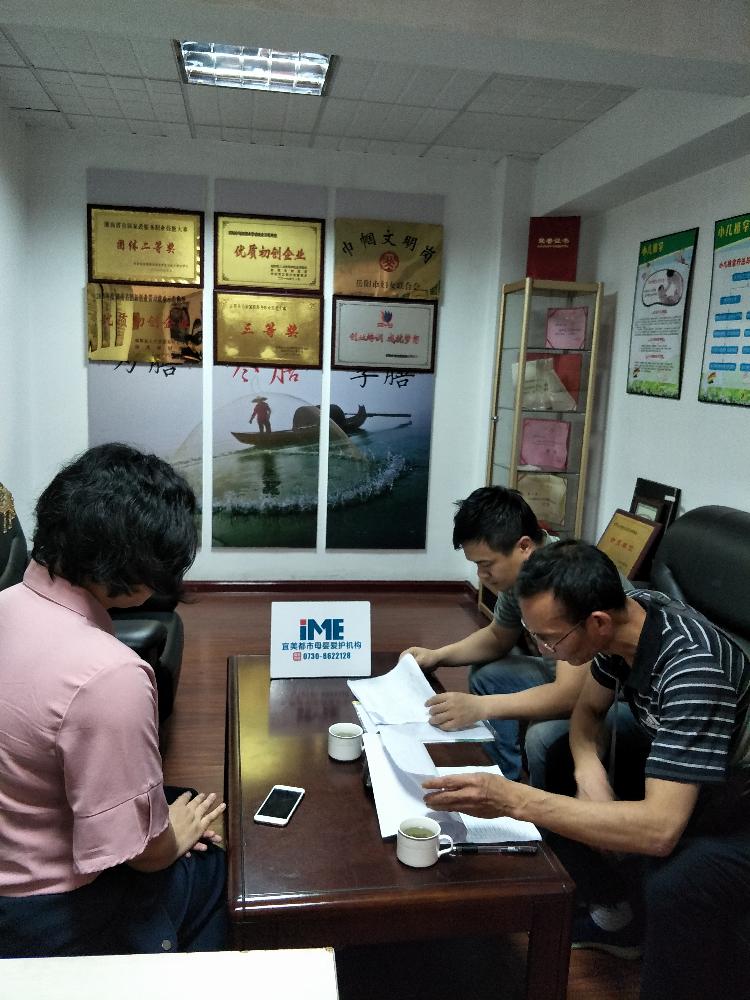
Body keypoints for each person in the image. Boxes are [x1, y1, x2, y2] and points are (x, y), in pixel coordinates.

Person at [423, 540, 750, 1000]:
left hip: (738, 799)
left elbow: (660, 829)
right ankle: (614, 913)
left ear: (597, 622)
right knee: (555, 755)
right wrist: (588, 769)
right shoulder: (626, 622)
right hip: (690, 763)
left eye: (550, 639)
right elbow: (587, 713)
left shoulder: (692, 670)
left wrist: (515, 799)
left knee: (676, 882)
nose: (545, 651)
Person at [0, 443, 228, 957]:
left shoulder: (6, 604)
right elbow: (144, 856)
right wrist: (173, 837)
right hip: (46, 910)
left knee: (186, 798)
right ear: (136, 568)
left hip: (15, 847)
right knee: (215, 865)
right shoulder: (109, 675)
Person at [401, 486, 585, 782]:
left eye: (485, 565)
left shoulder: (569, 580)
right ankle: (501, 777)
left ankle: (533, 805)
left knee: (541, 736)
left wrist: (479, 707)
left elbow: (569, 693)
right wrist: (437, 656)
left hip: (615, 695)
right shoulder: (525, 573)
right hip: (563, 674)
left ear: (524, 546)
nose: (481, 575)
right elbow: (499, 636)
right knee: (489, 675)